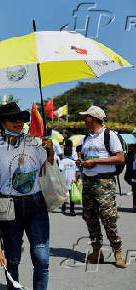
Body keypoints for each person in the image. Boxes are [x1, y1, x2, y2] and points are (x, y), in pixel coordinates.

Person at [0, 102, 54, 290]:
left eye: (21, 118)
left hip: (36, 204)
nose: (19, 122)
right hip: (7, 206)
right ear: (2, 123)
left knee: (41, 259)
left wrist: (50, 150)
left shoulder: (35, 142)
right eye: (12, 119)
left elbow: (47, 171)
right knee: (12, 259)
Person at [77, 105, 126, 268]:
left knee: (108, 217)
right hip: (88, 181)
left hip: (104, 182)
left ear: (95, 118)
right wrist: (82, 163)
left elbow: (120, 159)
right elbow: (86, 157)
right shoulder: (87, 138)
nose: (85, 119)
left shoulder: (109, 135)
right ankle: (97, 251)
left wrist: (95, 161)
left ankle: (118, 250)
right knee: (89, 217)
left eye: (87, 117)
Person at [59, 147, 80, 216]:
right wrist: (76, 179)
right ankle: (72, 210)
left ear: (64, 153)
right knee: (72, 196)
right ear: (71, 153)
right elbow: (78, 172)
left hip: (64, 180)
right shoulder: (74, 162)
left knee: (65, 195)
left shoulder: (62, 161)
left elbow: (60, 170)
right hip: (72, 181)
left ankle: (63, 207)